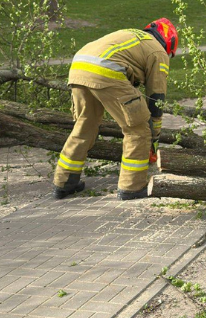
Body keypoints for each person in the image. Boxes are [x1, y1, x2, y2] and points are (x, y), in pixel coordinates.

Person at [52, 18, 178, 201]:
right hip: (107, 70)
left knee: (84, 126)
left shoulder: (134, 36)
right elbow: (156, 99)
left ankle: (64, 182)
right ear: (170, 44)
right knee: (138, 129)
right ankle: (132, 187)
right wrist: (154, 137)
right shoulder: (159, 52)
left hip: (78, 67)